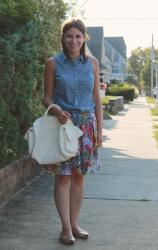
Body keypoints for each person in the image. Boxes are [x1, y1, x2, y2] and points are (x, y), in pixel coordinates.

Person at [43, 18, 103, 245]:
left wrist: (100, 131)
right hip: (63, 125)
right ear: (63, 38)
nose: (74, 40)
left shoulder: (93, 63)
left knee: (79, 177)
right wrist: (57, 110)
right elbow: (46, 97)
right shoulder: (53, 63)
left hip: (87, 126)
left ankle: (75, 224)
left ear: (84, 38)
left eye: (78, 36)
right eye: (69, 36)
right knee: (63, 177)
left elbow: (96, 98)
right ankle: (65, 228)